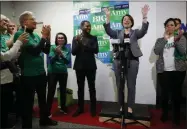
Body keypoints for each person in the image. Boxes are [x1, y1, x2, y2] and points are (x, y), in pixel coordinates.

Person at [13, 11, 57, 128]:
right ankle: (27, 126)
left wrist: (48, 37)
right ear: (24, 22)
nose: (35, 22)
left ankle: (44, 120)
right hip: (28, 75)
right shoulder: (20, 34)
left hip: (40, 73)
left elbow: (46, 51)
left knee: (43, 100)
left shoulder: (36, 35)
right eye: (33, 19)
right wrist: (43, 37)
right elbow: (34, 51)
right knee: (28, 103)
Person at [103, 5, 149, 115]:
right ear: (122, 22)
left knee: (131, 85)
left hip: (133, 61)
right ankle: (121, 106)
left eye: (128, 19)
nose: (126, 20)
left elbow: (143, 30)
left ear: (131, 22)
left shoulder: (135, 32)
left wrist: (144, 16)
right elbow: (108, 31)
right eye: (124, 19)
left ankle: (130, 106)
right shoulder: (118, 33)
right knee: (120, 85)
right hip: (119, 61)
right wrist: (108, 17)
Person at [154, 18, 186, 126]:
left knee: (176, 95)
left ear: (175, 27)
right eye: (167, 25)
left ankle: (176, 117)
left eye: (172, 25)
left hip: (178, 71)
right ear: (165, 27)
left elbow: (183, 51)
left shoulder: (181, 38)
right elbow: (156, 51)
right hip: (164, 71)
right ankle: (165, 114)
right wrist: (164, 39)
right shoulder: (160, 39)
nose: (170, 27)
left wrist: (176, 40)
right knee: (164, 94)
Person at [0, 14, 29, 129]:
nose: (7, 23)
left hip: (10, 73)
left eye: (8, 21)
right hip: (2, 75)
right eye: (4, 21)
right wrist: (18, 41)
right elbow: (5, 56)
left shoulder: (5, 35)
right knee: (4, 103)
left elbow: (10, 56)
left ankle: (8, 122)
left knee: (9, 101)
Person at [72, 20, 99, 117]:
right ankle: (80, 108)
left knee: (92, 88)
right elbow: (73, 52)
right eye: (87, 26)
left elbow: (95, 50)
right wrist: (79, 43)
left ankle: (93, 109)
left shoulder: (93, 38)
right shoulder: (76, 38)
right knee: (80, 88)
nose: (89, 28)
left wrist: (83, 44)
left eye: (90, 26)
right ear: (81, 27)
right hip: (79, 67)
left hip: (91, 66)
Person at [46, 32, 71, 117]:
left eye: (62, 38)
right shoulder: (52, 47)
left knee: (63, 91)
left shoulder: (67, 49)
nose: (60, 39)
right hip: (52, 72)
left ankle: (63, 108)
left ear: (65, 40)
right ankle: (48, 111)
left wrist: (61, 54)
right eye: (59, 38)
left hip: (63, 72)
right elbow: (51, 61)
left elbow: (67, 61)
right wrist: (57, 53)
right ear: (56, 39)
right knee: (51, 91)